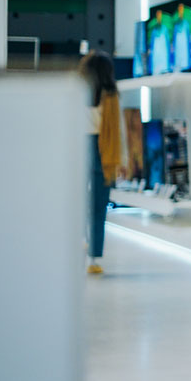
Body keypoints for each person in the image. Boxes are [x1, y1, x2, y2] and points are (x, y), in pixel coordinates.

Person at [80, 51, 122, 275]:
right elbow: (115, 130)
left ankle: (80, 243)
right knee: (98, 208)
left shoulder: (77, 93)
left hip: (78, 148)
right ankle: (94, 259)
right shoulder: (111, 95)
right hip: (102, 149)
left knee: (76, 204)